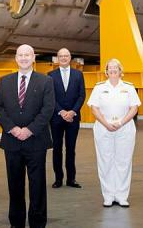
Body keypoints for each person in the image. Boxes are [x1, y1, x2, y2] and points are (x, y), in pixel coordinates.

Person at [0, 44, 55, 228]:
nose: (23, 58)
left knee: (37, 184)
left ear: (33, 58)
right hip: (12, 142)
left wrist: (29, 130)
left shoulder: (45, 81)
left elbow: (48, 109)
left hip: (36, 141)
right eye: (20, 55)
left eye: (27, 55)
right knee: (15, 184)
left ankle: (37, 222)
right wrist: (12, 129)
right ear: (16, 58)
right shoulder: (5, 81)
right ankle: (16, 222)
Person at [87, 58, 141, 208]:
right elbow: (94, 108)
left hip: (125, 129)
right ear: (106, 71)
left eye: (115, 68)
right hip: (103, 129)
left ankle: (122, 195)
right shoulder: (99, 87)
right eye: (109, 68)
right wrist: (106, 124)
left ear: (120, 71)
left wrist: (121, 122)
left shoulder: (129, 87)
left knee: (123, 161)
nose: (112, 70)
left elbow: (134, 108)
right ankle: (108, 195)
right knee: (105, 161)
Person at [48, 48, 85, 189]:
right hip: (56, 118)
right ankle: (58, 179)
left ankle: (71, 179)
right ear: (57, 58)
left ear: (70, 58)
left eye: (66, 56)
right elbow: (50, 97)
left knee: (71, 149)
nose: (63, 58)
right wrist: (62, 112)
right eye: (61, 56)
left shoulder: (78, 75)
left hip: (73, 119)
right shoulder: (50, 75)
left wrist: (73, 112)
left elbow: (81, 95)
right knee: (57, 149)